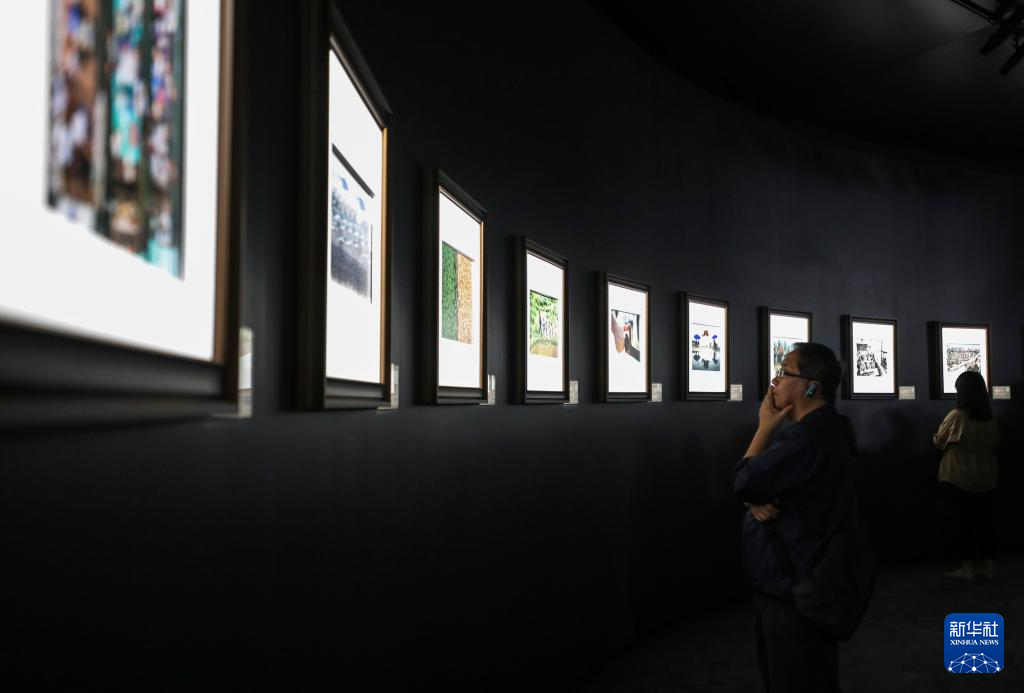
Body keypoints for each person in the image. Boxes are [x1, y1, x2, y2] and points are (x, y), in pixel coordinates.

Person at [734, 342, 860, 693]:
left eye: (784, 371)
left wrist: (763, 427)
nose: (774, 381)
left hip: (793, 588)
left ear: (811, 388)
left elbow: (745, 481)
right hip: (797, 581)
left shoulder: (810, 438)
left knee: (796, 678)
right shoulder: (825, 430)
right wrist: (754, 499)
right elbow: (758, 488)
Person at [933, 370, 1000, 580]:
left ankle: (968, 569)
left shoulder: (957, 416)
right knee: (985, 524)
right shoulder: (990, 417)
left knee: (962, 525)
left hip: (958, 476)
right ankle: (989, 568)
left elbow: (939, 441)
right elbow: (995, 441)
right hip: (986, 475)